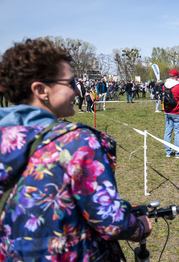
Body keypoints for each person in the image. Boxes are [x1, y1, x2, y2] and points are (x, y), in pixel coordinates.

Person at [0, 38, 151, 260]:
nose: (78, 92)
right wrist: (138, 226)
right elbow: (109, 220)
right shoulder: (76, 141)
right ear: (41, 90)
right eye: (70, 84)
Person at [163, 69, 179, 159]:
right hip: (177, 112)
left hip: (167, 111)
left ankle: (168, 152)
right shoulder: (178, 86)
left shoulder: (164, 85)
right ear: (176, 77)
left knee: (167, 132)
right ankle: (178, 153)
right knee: (178, 133)